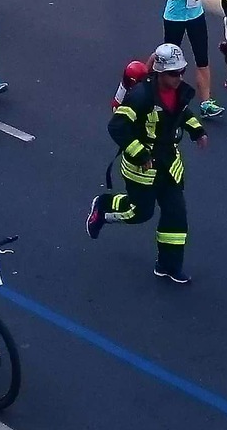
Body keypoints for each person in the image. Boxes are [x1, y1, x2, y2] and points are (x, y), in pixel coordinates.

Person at [85, 43, 207, 284]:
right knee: (140, 213)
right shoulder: (140, 96)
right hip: (143, 169)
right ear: (160, 73)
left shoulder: (179, 92)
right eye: (173, 73)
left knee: (176, 214)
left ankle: (169, 265)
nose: (179, 77)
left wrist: (197, 131)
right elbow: (117, 126)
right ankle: (104, 206)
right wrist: (140, 154)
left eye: (181, 71)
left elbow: (182, 114)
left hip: (170, 165)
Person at [163, 0, 224, 120]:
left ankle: (206, 103)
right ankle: (151, 86)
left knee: (202, 59)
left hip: (195, 14)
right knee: (169, 60)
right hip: (176, 17)